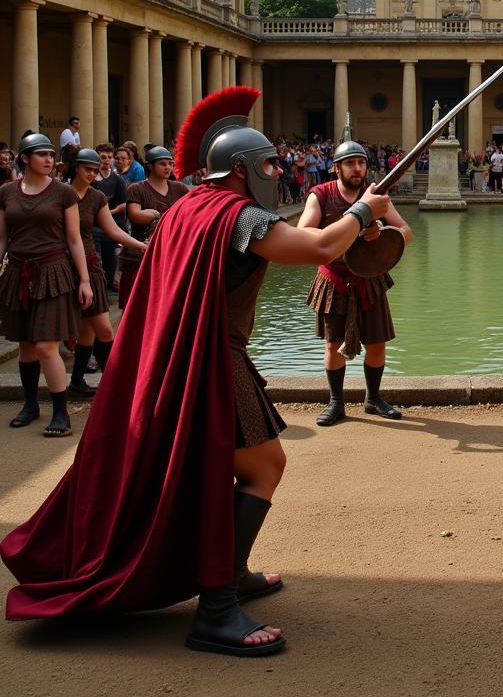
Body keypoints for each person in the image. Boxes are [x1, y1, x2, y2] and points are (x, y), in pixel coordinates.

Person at [1, 86, 391, 656]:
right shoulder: (240, 214)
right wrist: (363, 211)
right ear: (240, 168)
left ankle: (229, 577)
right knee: (263, 467)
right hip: (207, 355)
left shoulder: (186, 205)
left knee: (247, 465)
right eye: (268, 163)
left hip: (183, 351)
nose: (276, 170)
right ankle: (216, 607)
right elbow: (317, 248)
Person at [300, 129, 412, 425]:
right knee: (332, 343)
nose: (357, 168)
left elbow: (406, 233)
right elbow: (304, 233)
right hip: (333, 279)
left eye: (361, 163)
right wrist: (339, 236)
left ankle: (373, 398)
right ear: (336, 167)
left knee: (377, 343)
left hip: (370, 279)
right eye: (350, 163)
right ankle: (336, 402)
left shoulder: (377, 197)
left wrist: (382, 232)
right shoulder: (321, 194)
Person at [0, 134, 92, 437]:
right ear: (25, 158)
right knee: (25, 344)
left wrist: (85, 280)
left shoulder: (64, 193)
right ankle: (30, 405)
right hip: (17, 273)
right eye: (41, 154)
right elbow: (2, 238)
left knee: (46, 345)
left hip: (54, 273)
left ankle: (61, 412)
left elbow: (74, 239)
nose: (49, 159)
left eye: (52, 154)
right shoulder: (6, 192)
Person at [64, 149, 147, 395]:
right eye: (86, 169)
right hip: (61, 264)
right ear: (75, 167)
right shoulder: (60, 193)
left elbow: (114, 231)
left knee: (92, 329)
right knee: (93, 329)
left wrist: (143, 246)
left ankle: (88, 382)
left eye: (94, 169)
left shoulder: (97, 197)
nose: (91, 173)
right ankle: (113, 385)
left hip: (90, 263)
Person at [117, 146, 189, 307]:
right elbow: (136, 216)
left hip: (171, 254)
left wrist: (155, 214)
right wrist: (163, 216)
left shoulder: (180, 188)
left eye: (170, 163)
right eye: (163, 164)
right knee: (135, 306)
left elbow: (190, 216)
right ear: (150, 166)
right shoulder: (137, 188)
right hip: (140, 255)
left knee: (166, 306)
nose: (168, 167)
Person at [91, 143, 128, 291]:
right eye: (103, 157)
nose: (107, 160)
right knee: (96, 258)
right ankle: (98, 285)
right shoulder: (92, 180)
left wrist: (107, 214)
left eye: (109, 157)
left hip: (113, 224)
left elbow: (124, 203)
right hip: (94, 227)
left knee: (111, 258)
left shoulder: (118, 180)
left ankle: (110, 282)